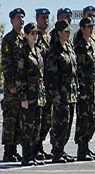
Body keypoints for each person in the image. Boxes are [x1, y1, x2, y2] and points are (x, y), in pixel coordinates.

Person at [44, 20, 77, 163]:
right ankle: (56, 151)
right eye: (66, 31)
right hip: (60, 93)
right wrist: (55, 94)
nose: (68, 33)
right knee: (59, 123)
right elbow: (50, 75)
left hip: (71, 91)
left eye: (69, 31)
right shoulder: (54, 50)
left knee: (68, 123)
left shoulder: (69, 47)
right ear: (59, 33)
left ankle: (62, 149)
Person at [16, 23, 46, 166]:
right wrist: (23, 97)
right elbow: (19, 77)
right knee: (27, 126)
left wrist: (43, 94)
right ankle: (26, 156)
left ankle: (33, 155)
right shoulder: (22, 53)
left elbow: (41, 74)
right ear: (26, 35)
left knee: (37, 126)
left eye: (37, 33)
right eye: (32, 33)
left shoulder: (38, 51)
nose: (35, 36)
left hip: (38, 93)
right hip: (28, 93)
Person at [74, 17, 95, 161]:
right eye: (88, 26)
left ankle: (87, 147)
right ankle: (81, 149)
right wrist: (81, 91)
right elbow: (78, 71)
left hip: (94, 88)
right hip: (85, 89)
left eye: (92, 26)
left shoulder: (92, 44)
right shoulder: (80, 48)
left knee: (92, 119)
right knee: (83, 119)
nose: (91, 29)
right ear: (82, 28)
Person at [2, 8, 25, 162]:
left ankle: (15, 148)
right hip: (12, 89)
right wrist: (11, 84)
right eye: (18, 17)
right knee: (10, 119)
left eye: (23, 17)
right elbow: (6, 64)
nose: (21, 20)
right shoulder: (8, 39)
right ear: (11, 20)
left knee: (19, 120)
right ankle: (8, 151)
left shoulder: (23, 38)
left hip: (22, 86)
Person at [34, 8, 53, 160]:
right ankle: (35, 148)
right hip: (39, 83)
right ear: (37, 19)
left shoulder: (50, 36)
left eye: (47, 17)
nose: (45, 20)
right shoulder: (35, 37)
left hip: (49, 84)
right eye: (42, 17)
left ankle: (40, 145)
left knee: (47, 118)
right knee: (38, 119)